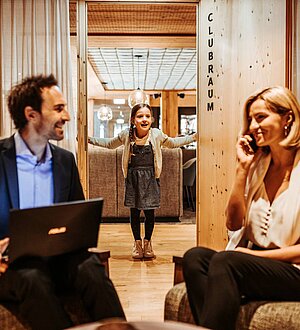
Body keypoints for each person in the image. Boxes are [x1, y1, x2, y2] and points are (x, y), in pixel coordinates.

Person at [0, 74, 125, 330]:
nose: (67, 116)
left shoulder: (65, 161)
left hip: (60, 260)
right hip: (10, 268)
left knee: (91, 268)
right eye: (58, 109)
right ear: (31, 114)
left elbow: (77, 219)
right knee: (32, 277)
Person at [182, 86, 300, 330]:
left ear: (287, 118)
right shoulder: (260, 164)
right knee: (195, 259)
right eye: (250, 120)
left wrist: (252, 256)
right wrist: (241, 169)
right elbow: (233, 224)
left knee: (226, 262)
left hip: (293, 269)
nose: (253, 126)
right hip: (258, 262)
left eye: (261, 117)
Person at [89, 103, 197, 259]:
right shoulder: (126, 135)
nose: (144, 119)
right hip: (133, 178)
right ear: (133, 120)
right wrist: (89, 139)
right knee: (134, 212)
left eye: (147, 116)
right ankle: (137, 244)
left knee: (149, 212)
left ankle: (148, 243)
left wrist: (193, 137)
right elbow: (109, 144)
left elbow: (173, 143)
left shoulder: (156, 134)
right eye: (140, 116)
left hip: (151, 178)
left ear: (152, 119)